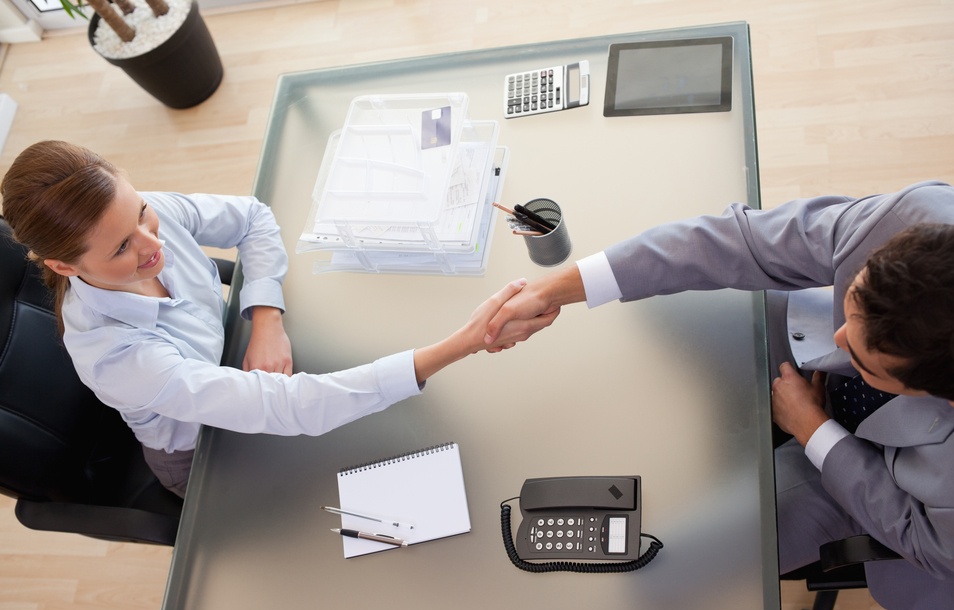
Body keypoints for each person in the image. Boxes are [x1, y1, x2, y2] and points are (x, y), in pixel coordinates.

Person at [483, 181, 954, 610]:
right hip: (805, 356)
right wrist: (559, 288)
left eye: (863, 358)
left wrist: (814, 431)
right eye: (850, 307)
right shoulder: (918, 217)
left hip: (867, 477)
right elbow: (739, 241)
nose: (837, 343)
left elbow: (919, 537)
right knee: (659, 308)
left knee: (657, 567)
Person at [1, 140, 551, 498]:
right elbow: (289, 409)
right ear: (63, 265)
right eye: (123, 246)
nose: (153, 242)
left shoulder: (140, 217)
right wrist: (463, 343)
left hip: (240, 357)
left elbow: (253, 217)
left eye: (143, 211)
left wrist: (265, 317)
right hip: (202, 447)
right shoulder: (117, 356)